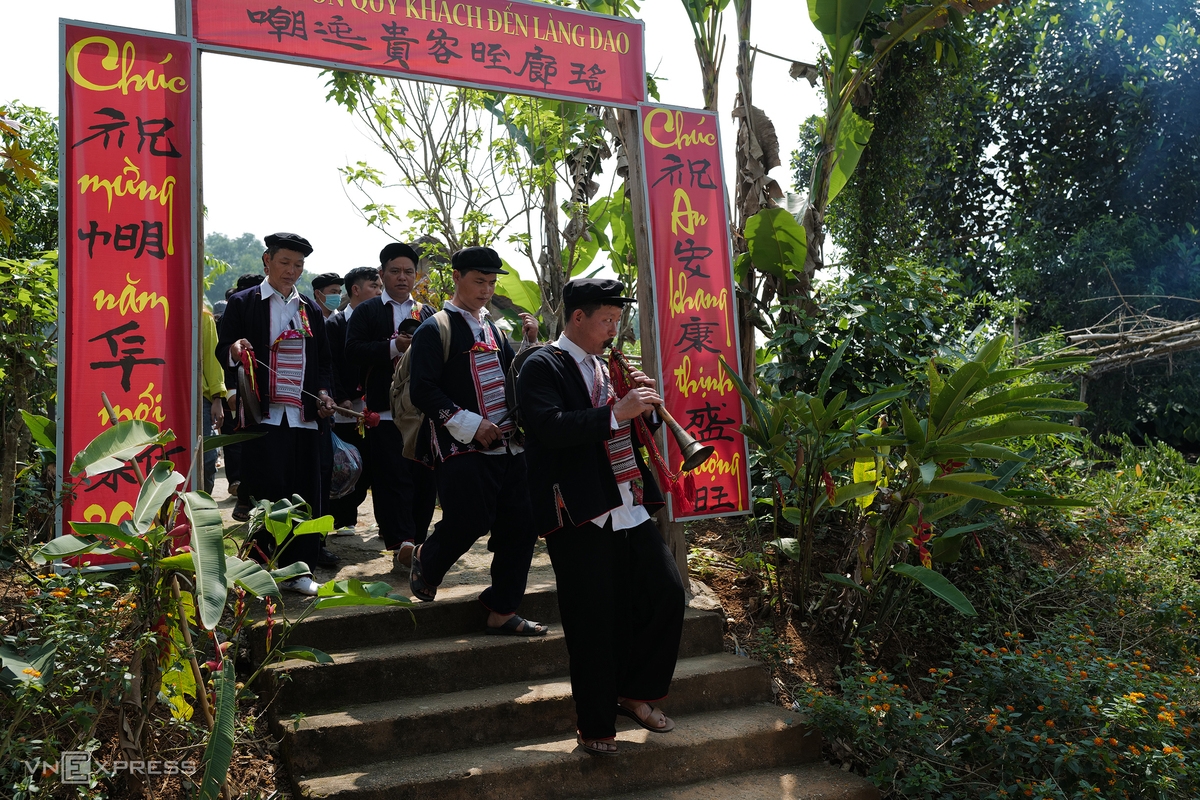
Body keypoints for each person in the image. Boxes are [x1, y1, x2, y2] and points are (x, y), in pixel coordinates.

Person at [515, 278, 685, 756]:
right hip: (579, 510)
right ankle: (594, 725)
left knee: (667, 592)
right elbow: (547, 428)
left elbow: (626, 426)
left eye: (617, 320)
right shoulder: (541, 364)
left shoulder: (610, 364)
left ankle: (634, 693)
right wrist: (617, 411)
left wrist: (646, 409)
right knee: (593, 620)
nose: (614, 329)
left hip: (627, 500)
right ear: (577, 318)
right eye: (606, 320)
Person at [407, 246, 545, 636]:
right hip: (459, 445)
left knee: (521, 525)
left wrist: (528, 345)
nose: (486, 290)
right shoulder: (434, 328)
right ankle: (426, 558)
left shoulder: (495, 329)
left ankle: (502, 609)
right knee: (469, 520)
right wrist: (471, 424)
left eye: (491, 282)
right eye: (478, 281)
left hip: (507, 443)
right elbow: (423, 390)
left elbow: (511, 380)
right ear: (456, 277)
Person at [215, 232, 337, 595]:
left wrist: (325, 393)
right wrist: (236, 349)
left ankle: (299, 570)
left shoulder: (311, 309)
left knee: (304, 492)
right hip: (263, 415)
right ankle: (260, 567)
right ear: (267, 261)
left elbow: (325, 362)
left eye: (298, 265)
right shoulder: (244, 303)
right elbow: (225, 349)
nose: (291, 271)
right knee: (266, 492)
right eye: (285, 262)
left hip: (302, 417)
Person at [346, 243, 440, 570]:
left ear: (417, 275)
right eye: (395, 271)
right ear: (382, 273)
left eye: (409, 272)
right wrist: (392, 346)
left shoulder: (428, 314)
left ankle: (419, 545)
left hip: (423, 414)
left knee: (424, 481)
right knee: (392, 480)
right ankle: (402, 543)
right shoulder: (368, 311)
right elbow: (353, 351)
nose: (403, 277)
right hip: (384, 413)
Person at [325, 266, 381, 529]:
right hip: (344, 409)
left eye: (380, 287)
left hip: (375, 409)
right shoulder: (334, 325)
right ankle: (341, 518)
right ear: (356, 290)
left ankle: (350, 516)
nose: (379, 292)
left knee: (369, 467)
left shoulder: (380, 323)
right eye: (374, 287)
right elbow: (330, 364)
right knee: (344, 463)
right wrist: (342, 397)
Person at [218, 273, 267, 499]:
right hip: (235, 386)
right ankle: (239, 484)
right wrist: (227, 391)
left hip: (265, 392)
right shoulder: (233, 312)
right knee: (235, 435)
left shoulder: (271, 311)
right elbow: (221, 353)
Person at [200, 303, 227, 494]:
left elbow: (212, 359)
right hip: (161, 397)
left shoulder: (203, 316)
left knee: (207, 459)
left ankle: (202, 508)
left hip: (200, 398)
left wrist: (217, 398)